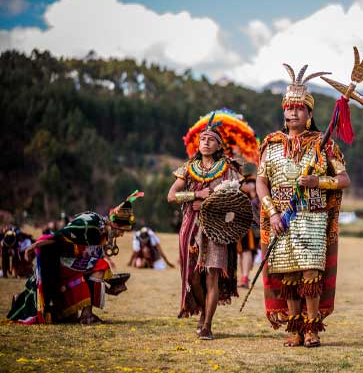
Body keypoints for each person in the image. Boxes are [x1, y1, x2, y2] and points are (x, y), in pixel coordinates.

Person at [256, 64, 349, 347]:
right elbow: (262, 183)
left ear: (309, 114)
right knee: (289, 274)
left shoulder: (324, 144)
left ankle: (312, 329)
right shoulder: (270, 145)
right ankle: (294, 329)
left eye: (299, 108)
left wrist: (317, 183)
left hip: (312, 215)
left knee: (310, 273)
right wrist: (272, 213)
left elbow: (343, 179)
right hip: (281, 217)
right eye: (288, 108)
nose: (292, 112)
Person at [7, 191, 143, 324]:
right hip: (59, 263)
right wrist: (34, 245)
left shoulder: (102, 236)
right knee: (101, 265)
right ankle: (87, 315)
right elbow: (59, 236)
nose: (121, 235)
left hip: (72, 266)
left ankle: (21, 300)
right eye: (121, 231)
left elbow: (94, 277)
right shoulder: (90, 222)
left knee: (68, 318)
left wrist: (110, 289)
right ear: (114, 224)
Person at [167, 113, 241, 340]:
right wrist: (196, 194)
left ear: (219, 145)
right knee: (192, 276)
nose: (206, 142)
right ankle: (200, 313)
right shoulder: (188, 167)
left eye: (211, 139)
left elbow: (236, 196)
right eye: (202, 139)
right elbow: (171, 196)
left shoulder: (228, 167)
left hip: (216, 226)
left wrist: (218, 201)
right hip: (191, 225)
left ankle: (207, 324)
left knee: (212, 277)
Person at [237, 166, 260, 288]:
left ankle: (245, 277)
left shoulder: (251, 182)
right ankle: (243, 276)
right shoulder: (241, 181)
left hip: (250, 224)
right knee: (242, 252)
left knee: (246, 251)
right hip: (239, 223)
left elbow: (256, 203)